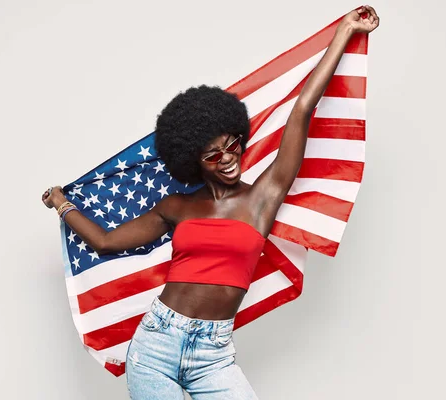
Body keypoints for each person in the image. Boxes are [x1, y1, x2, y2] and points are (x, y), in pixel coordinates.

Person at [42, 6, 379, 399]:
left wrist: (344, 32)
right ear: (193, 162)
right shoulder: (176, 207)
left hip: (213, 355)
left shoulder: (261, 197)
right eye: (213, 155)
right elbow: (106, 242)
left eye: (232, 145)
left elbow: (301, 110)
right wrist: (61, 203)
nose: (229, 158)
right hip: (155, 347)